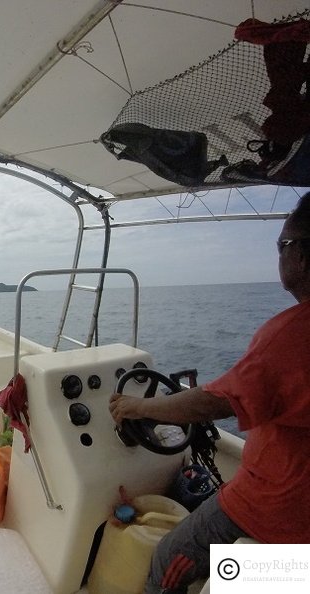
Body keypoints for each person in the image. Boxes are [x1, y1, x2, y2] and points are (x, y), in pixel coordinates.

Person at [109, 191, 310, 593]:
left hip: (276, 511)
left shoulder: (292, 333)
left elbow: (216, 401)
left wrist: (138, 407)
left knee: (170, 556)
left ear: (302, 255)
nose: (280, 256)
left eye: (281, 245)